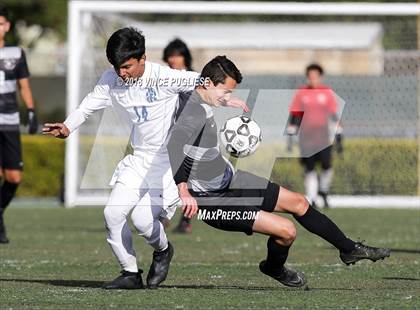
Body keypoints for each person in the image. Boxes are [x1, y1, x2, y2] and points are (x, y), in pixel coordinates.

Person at [43, 28, 247, 290]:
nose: (121, 73)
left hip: (168, 163)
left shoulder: (162, 76)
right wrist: (68, 127)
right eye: (116, 67)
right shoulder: (111, 79)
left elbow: (200, 80)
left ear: (143, 59)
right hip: (139, 158)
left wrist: (225, 96)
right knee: (112, 214)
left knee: (141, 221)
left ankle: (163, 250)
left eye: (127, 66)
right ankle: (130, 273)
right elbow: (88, 105)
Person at [167, 56, 390, 287]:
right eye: (226, 92)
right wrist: (183, 191)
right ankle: (274, 268)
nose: (229, 97)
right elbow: (174, 147)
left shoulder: (199, 94)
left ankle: (349, 249)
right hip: (212, 201)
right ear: (208, 83)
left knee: (299, 202)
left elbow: (192, 83)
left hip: (231, 180)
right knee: (287, 231)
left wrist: (221, 100)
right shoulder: (191, 114)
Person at [0, 5, 38, 244]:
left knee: (14, 176)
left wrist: (32, 111)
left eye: (1, 23)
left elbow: (24, 85)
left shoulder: (16, 53)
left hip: (10, 121)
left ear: (7, 26)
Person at [287, 63, 343, 208]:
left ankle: (323, 192)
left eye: (315, 76)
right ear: (307, 77)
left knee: (327, 165)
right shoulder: (301, 93)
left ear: (320, 77)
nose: (313, 79)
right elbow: (295, 115)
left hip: (323, 137)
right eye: (310, 76)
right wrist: (290, 135)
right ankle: (311, 198)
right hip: (306, 138)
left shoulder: (327, 93)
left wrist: (339, 134)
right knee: (309, 167)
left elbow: (333, 115)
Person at [163, 38, 194, 233]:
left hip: (190, 135)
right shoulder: (162, 77)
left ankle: (186, 221)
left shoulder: (194, 78)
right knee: (165, 176)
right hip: (166, 136)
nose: (174, 59)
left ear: (185, 57)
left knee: (187, 180)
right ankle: (163, 216)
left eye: (178, 55)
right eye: (171, 56)